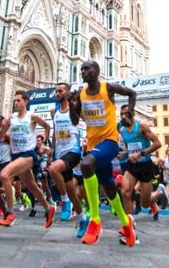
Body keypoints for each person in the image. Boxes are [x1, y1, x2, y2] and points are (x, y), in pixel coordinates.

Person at [68, 60, 137, 246]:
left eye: (87, 68)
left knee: (86, 164)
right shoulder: (81, 94)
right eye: (81, 69)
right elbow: (75, 121)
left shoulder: (109, 88)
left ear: (97, 71)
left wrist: (129, 111)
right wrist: (72, 103)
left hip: (110, 141)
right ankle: (126, 222)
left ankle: (95, 220)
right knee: (108, 187)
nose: (83, 72)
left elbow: (132, 93)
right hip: (93, 144)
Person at [0, 90, 55, 228]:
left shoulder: (32, 116)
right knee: (32, 186)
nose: (16, 103)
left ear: (26, 102)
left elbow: (46, 126)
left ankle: (9, 213)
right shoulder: (12, 118)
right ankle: (48, 208)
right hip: (16, 155)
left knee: (4, 175)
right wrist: (4, 126)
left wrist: (44, 141)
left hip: (28, 154)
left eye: (18, 100)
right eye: (14, 101)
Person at [118, 105, 162, 227]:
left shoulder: (141, 126)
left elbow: (158, 144)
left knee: (145, 204)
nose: (122, 117)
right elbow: (130, 146)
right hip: (132, 165)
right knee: (125, 191)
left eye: (125, 114)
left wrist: (141, 153)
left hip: (146, 166)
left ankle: (157, 194)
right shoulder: (122, 130)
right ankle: (129, 225)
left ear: (132, 113)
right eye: (121, 114)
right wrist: (124, 153)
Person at [47, 83, 85, 226]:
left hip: (73, 151)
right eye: (56, 91)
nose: (57, 93)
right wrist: (52, 149)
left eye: (60, 91)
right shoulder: (54, 111)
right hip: (60, 153)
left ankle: (65, 202)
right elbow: (55, 132)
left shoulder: (74, 109)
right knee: (70, 190)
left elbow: (88, 121)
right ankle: (82, 217)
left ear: (67, 93)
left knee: (53, 169)